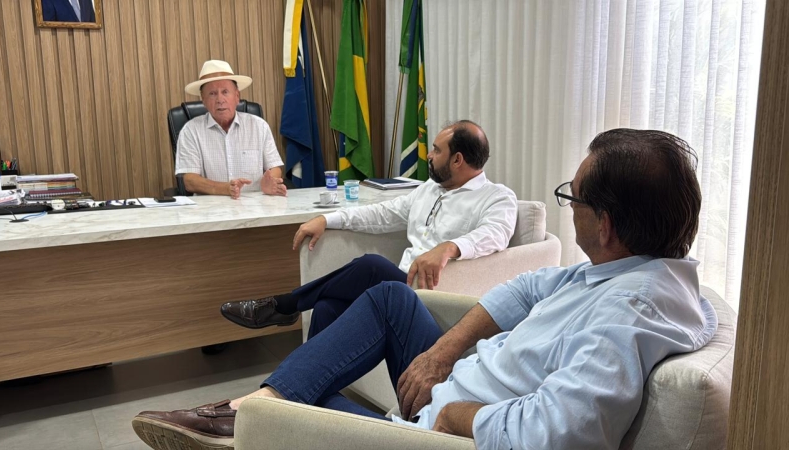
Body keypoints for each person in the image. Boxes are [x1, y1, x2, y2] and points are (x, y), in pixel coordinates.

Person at [132, 128, 717, 450]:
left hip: (438, 432)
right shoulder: (622, 270)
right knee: (380, 295)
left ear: (606, 225)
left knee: (298, 393)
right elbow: (527, 287)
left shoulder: (627, 310)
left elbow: (555, 435)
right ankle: (255, 404)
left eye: (574, 198)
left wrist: (455, 416)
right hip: (446, 385)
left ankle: (247, 413)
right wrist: (442, 353)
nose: (569, 208)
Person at [218, 120, 519, 336]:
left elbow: (496, 234)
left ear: (457, 160)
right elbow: (383, 214)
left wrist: (449, 247)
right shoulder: (428, 189)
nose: (428, 155)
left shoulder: (497, 197)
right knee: (326, 306)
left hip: (434, 295)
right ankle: (307, 392)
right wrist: (328, 219)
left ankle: (285, 305)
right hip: (400, 285)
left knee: (372, 266)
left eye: (436, 151)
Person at [176, 60, 287, 199]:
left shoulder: (259, 126)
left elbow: (274, 167)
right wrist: (226, 189)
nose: (220, 99)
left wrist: (270, 181)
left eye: (225, 92)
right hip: (210, 208)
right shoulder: (191, 130)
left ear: (237, 96)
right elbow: (190, 181)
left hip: (255, 205)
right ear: (203, 100)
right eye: (212, 93)